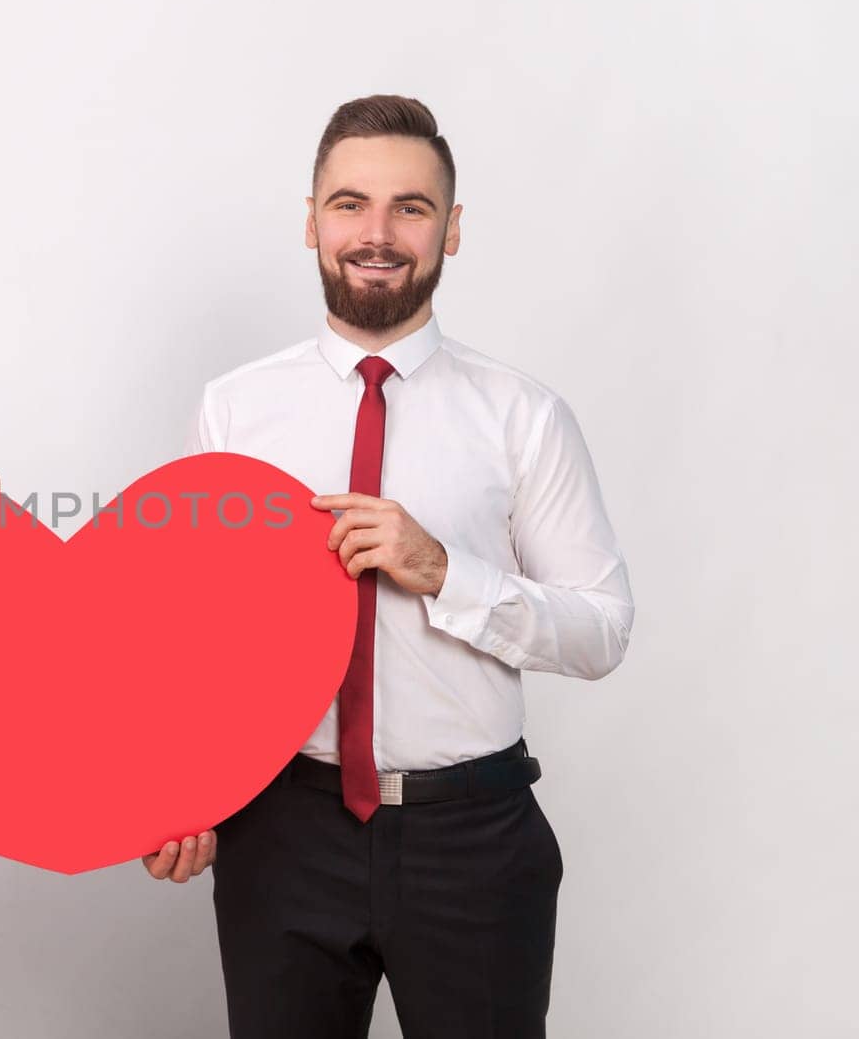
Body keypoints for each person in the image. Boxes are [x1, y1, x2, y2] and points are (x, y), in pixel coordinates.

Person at [143, 95, 635, 1038]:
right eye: (349, 203)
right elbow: (190, 632)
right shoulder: (236, 412)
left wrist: (446, 568)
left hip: (473, 840)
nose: (376, 233)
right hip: (282, 830)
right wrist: (179, 783)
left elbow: (603, 629)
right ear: (310, 220)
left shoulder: (522, 416)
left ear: (451, 230)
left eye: (409, 207)